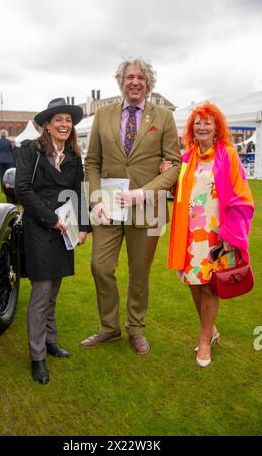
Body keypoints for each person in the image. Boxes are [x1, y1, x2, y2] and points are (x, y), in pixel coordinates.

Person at [80, 58, 181, 355]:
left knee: (139, 272)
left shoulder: (163, 117)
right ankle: (109, 328)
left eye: (140, 77)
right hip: (108, 206)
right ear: (121, 82)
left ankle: (136, 328)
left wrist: (144, 193)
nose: (134, 81)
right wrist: (95, 199)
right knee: (100, 266)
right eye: (129, 77)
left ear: (148, 83)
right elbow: (92, 162)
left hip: (147, 207)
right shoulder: (103, 115)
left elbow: (173, 165)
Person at [167, 102, 254, 367]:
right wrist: (170, 180)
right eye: (198, 122)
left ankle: (204, 340)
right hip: (192, 235)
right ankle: (211, 330)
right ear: (192, 128)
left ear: (217, 128)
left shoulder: (227, 153)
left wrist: (233, 233)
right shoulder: (187, 157)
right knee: (195, 283)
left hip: (218, 234)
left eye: (208, 122)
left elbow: (242, 196)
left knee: (210, 286)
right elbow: (181, 193)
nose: (202, 126)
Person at [15, 97, 90, 384]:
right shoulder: (30, 150)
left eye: (68, 120)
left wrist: (83, 227)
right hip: (40, 229)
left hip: (65, 230)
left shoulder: (74, 155)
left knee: (54, 290)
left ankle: (50, 341)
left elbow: (80, 192)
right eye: (58, 119)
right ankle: (37, 357)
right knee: (41, 292)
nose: (64, 124)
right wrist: (50, 218)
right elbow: (22, 189)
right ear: (46, 124)